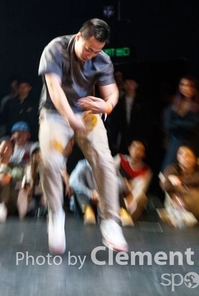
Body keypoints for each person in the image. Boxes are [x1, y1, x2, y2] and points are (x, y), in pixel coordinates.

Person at [38, 18, 126, 254]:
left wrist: (107, 106)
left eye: (96, 50)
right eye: (88, 48)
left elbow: (112, 93)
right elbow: (54, 88)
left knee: (104, 161)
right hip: (55, 112)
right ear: (79, 37)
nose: (91, 55)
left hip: (86, 113)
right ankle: (56, 217)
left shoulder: (102, 59)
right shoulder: (56, 48)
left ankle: (110, 222)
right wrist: (70, 117)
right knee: (51, 161)